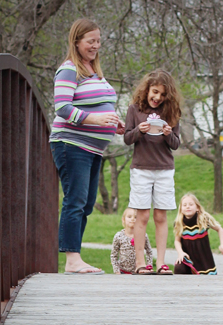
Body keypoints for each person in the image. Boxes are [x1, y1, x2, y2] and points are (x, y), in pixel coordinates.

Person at [50, 18, 125, 275]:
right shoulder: (69, 69)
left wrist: (114, 124)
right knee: (75, 199)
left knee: (88, 203)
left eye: (98, 41)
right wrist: (95, 119)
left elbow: (99, 104)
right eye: (90, 41)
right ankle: (72, 259)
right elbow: (62, 108)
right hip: (71, 144)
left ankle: (75, 256)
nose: (95, 46)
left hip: (92, 148)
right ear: (76, 42)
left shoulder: (93, 70)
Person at [124, 70, 182, 275]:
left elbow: (175, 144)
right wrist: (139, 129)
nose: (157, 97)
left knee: (160, 216)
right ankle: (140, 262)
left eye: (162, 94)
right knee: (142, 216)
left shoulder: (172, 113)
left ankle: (160, 263)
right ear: (147, 89)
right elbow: (127, 138)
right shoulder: (134, 110)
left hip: (164, 170)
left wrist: (167, 135)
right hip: (141, 169)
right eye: (155, 92)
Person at [173, 193, 223, 275]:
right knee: (179, 267)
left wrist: (222, 244)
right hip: (188, 259)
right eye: (184, 205)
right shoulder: (179, 223)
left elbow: (219, 229)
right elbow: (177, 241)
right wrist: (180, 252)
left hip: (203, 258)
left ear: (197, 208)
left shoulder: (204, 219)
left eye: (191, 204)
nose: (188, 206)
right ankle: (182, 287)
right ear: (181, 209)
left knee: (207, 278)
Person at [111, 208, 153, 274]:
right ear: (123, 219)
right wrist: (117, 271)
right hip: (123, 272)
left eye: (135, 217)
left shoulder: (143, 236)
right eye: (129, 217)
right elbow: (114, 255)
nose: (132, 219)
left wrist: (149, 266)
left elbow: (149, 251)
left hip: (139, 271)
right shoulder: (119, 236)